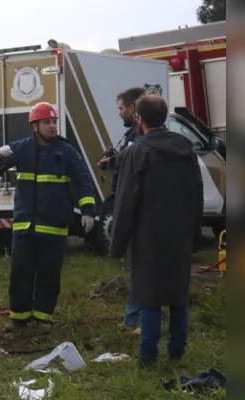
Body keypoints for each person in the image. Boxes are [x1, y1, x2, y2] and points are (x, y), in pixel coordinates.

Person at [109, 94, 203, 366]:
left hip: (147, 237)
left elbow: (125, 202)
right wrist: (194, 236)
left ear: (139, 118)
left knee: (148, 297)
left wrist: (117, 245)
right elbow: (197, 194)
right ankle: (177, 352)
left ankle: (148, 356)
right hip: (180, 235)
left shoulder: (137, 152)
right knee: (178, 296)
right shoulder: (186, 147)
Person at [0, 102, 96, 331]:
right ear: (35, 126)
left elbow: (83, 181)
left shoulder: (66, 152)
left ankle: (43, 319)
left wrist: (88, 211)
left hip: (54, 227)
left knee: (48, 275)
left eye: (54, 122)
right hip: (25, 226)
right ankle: (19, 318)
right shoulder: (22, 149)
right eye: (47, 122)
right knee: (20, 272)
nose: (52, 126)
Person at [98, 87, 146, 335]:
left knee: (140, 266)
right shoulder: (132, 135)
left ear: (132, 108)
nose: (119, 113)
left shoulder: (142, 137)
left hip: (137, 207)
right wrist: (113, 155)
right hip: (126, 201)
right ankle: (133, 318)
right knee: (134, 265)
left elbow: (134, 162)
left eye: (121, 108)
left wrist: (114, 160)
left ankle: (138, 320)